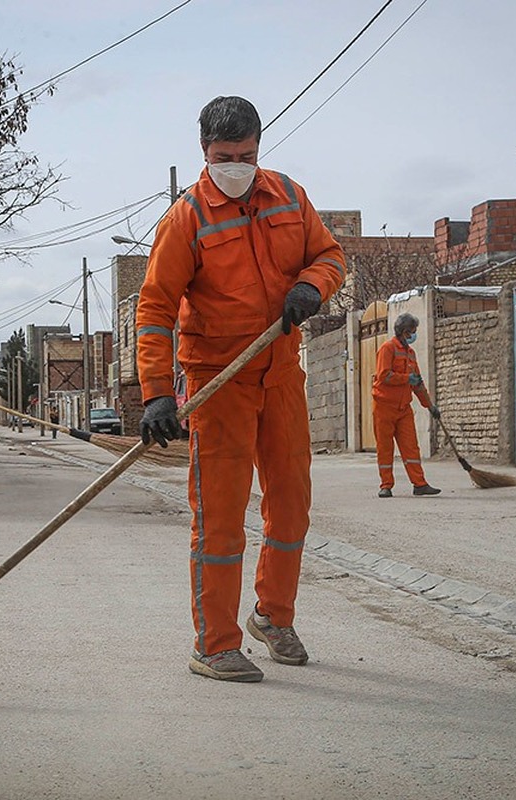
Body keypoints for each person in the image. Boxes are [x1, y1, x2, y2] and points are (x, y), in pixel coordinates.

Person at [135, 96, 346, 683]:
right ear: (204, 152)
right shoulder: (185, 220)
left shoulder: (288, 196)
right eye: (225, 157)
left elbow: (330, 255)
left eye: (247, 155)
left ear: (260, 147)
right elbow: (153, 308)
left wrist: (312, 286)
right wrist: (157, 394)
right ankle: (216, 642)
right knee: (222, 518)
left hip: (279, 373)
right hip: (217, 382)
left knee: (291, 505)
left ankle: (273, 617)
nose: (237, 165)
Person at [371, 313, 441, 498]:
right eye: (412, 332)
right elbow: (383, 376)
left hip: (403, 409)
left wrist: (429, 406)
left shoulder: (410, 353)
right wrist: (405, 378)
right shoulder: (387, 349)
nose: (413, 335)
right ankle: (386, 485)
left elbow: (417, 383)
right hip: (384, 407)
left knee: (411, 447)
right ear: (403, 332)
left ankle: (419, 484)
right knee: (385, 448)